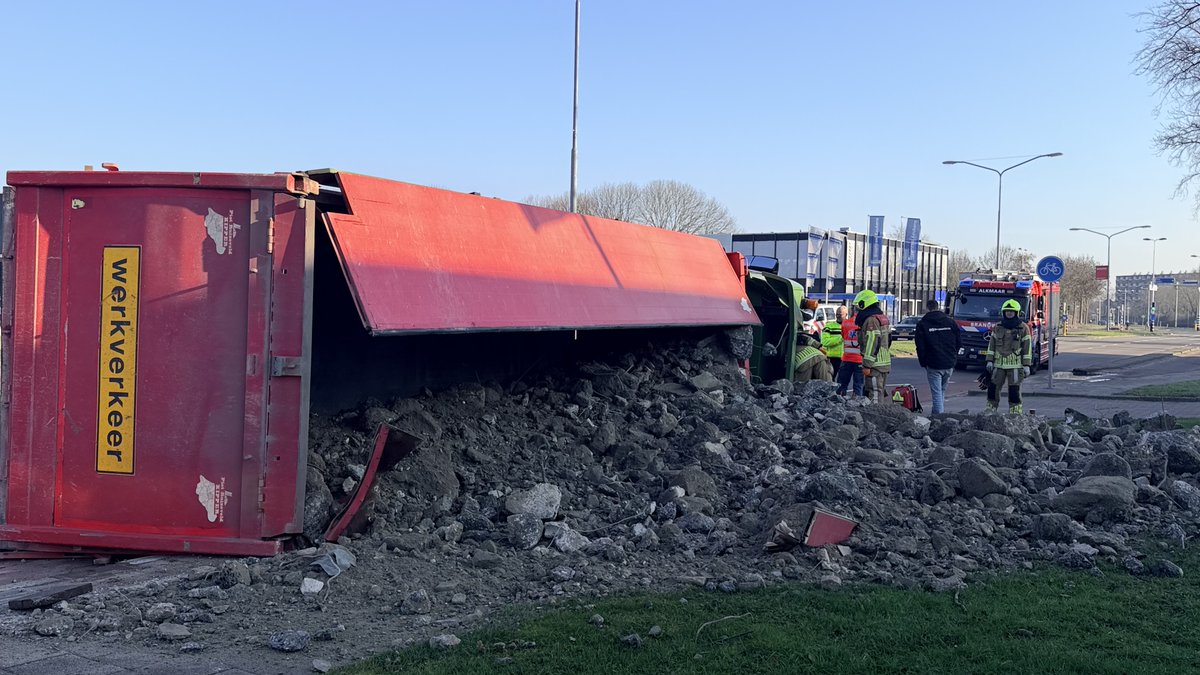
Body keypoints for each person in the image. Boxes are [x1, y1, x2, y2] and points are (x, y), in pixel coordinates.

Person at [915, 299, 961, 415]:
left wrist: (923, 362)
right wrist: (954, 357)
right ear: (938, 307)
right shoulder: (950, 322)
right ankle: (935, 415)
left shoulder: (923, 324)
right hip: (949, 362)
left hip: (933, 363)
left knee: (936, 393)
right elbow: (959, 342)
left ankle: (939, 417)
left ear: (927, 308)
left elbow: (920, 346)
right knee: (941, 391)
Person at [986, 298, 1032, 414]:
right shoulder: (997, 327)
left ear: (1017, 313)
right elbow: (991, 345)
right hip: (998, 365)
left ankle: (1015, 412)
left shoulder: (1023, 328)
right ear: (1003, 312)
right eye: (1007, 311)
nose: (1009, 313)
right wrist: (989, 361)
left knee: (1014, 390)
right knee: (993, 389)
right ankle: (990, 410)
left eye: (1012, 311)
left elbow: (1027, 348)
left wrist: (1026, 365)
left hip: (1015, 365)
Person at [854, 289, 891, 403]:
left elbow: (872, 342)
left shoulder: (871, 320)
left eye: (858, 306)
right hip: (884, 362)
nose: (856, 310)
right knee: (879, 391)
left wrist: (867, 365)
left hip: (874, 365)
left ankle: (875, 417)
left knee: (874, 393)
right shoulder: (882, 318)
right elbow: (889, 340)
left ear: (863, 303)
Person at [836, 305, 864, 397]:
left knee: (842, 385)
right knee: (858, 386)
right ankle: (857, 404)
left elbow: (843, 337)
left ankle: (839, 403)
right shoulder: (864, 323)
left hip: (847, 359)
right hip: (859, 360)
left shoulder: (845, 323)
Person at [821, 305, 846, 376]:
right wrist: (840, 338)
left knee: (843, 381)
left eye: (840, 314)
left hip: (846, 358)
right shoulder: (829, 326)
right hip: (832, 358)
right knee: (831, 378)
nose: (838, 316)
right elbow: (824, 341)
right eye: (837, 314)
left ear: (846, 314)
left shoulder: (849, 326)